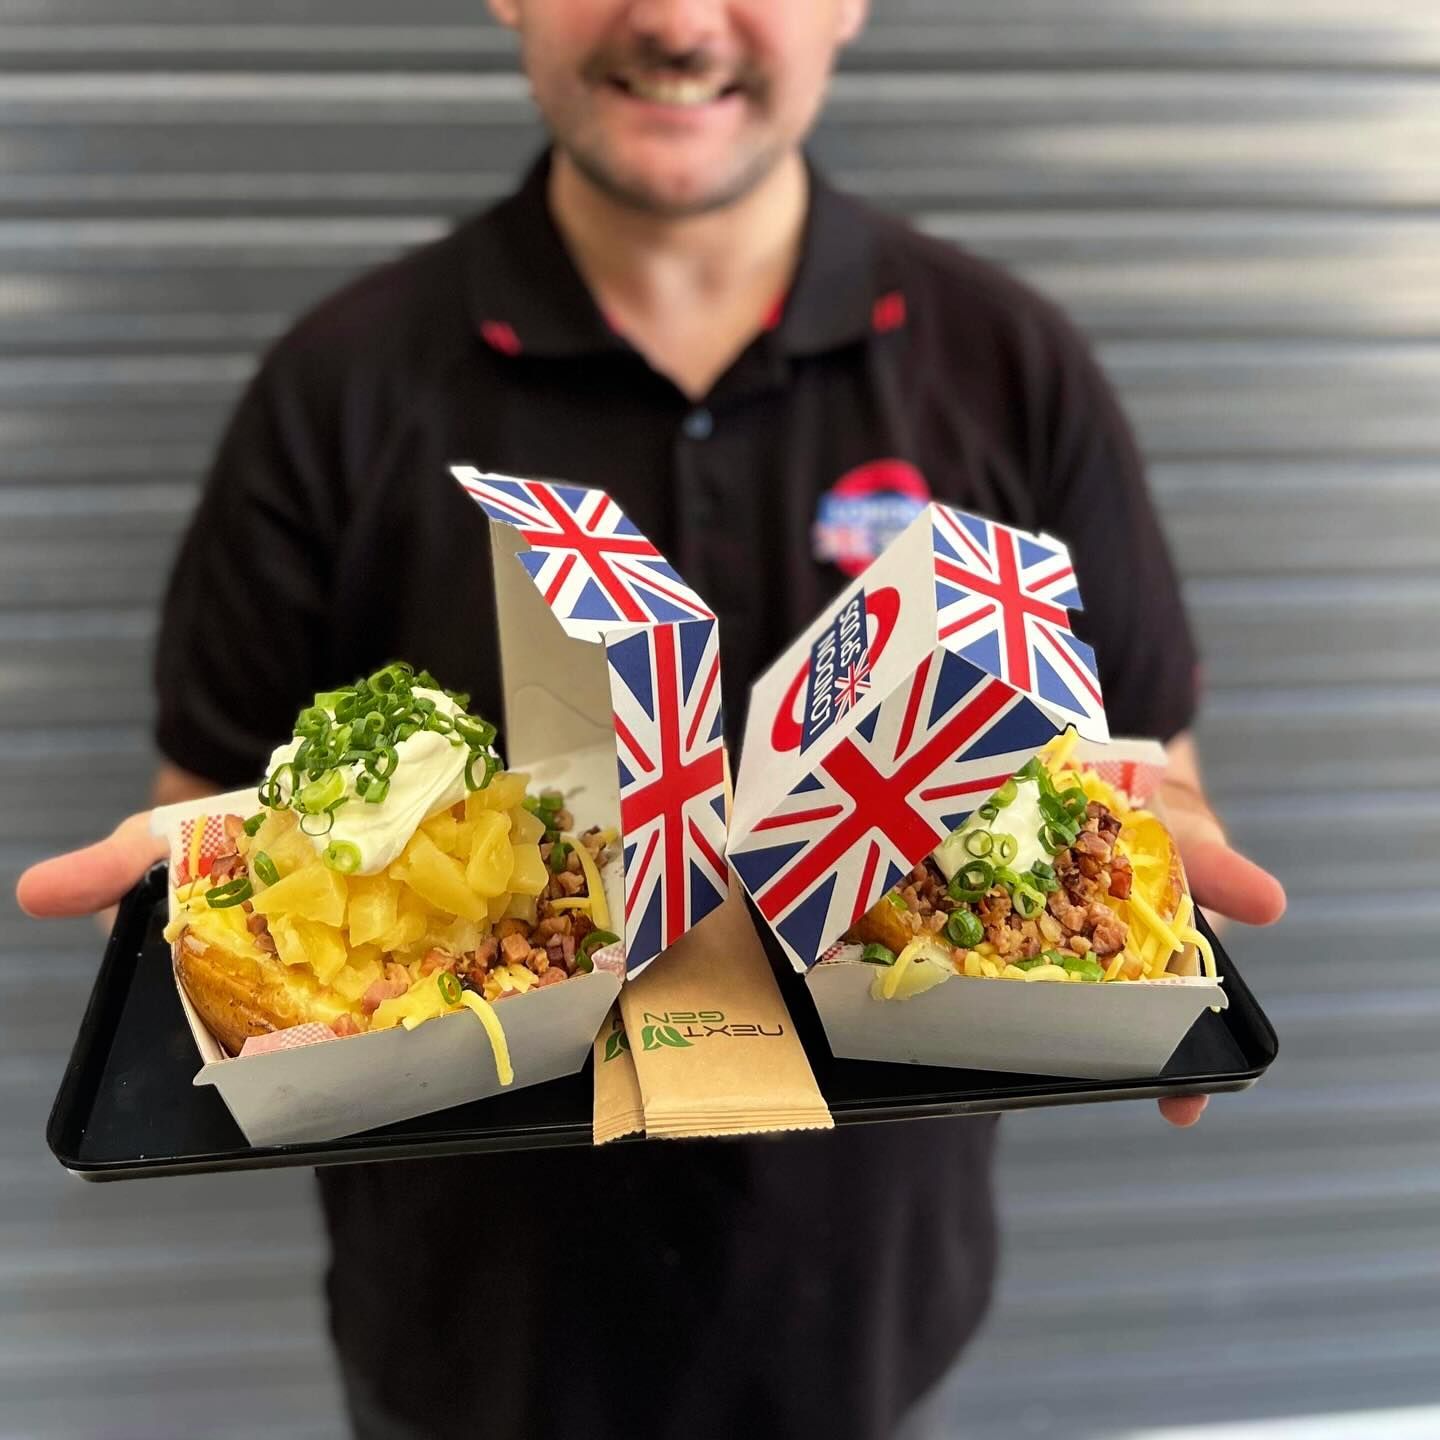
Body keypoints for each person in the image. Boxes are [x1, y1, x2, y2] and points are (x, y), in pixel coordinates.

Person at [17, 2, 1287, 1436]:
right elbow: (208, 827)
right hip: (465, 1350)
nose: (680, 20)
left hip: (864, 1329)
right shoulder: (336, 384)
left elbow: (1147, 782)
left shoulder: (1015, 365)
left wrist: (1160, 948)